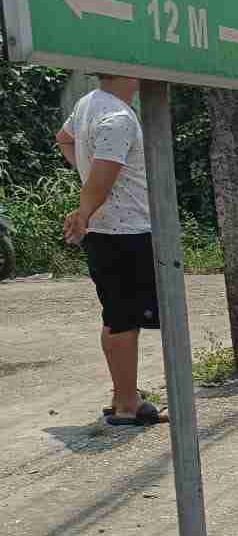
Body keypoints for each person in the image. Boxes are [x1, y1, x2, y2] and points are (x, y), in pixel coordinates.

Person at [54, 74, 165, 427]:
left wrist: (90, 181)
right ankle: (128, 405)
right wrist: (84, 210)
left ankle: (122, 395)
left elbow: (64, 139)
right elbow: (103, 178)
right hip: (126, 231)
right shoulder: (118, 117)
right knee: (124, 320)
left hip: (107, 232)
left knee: (117, 316)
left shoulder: (88, 103)